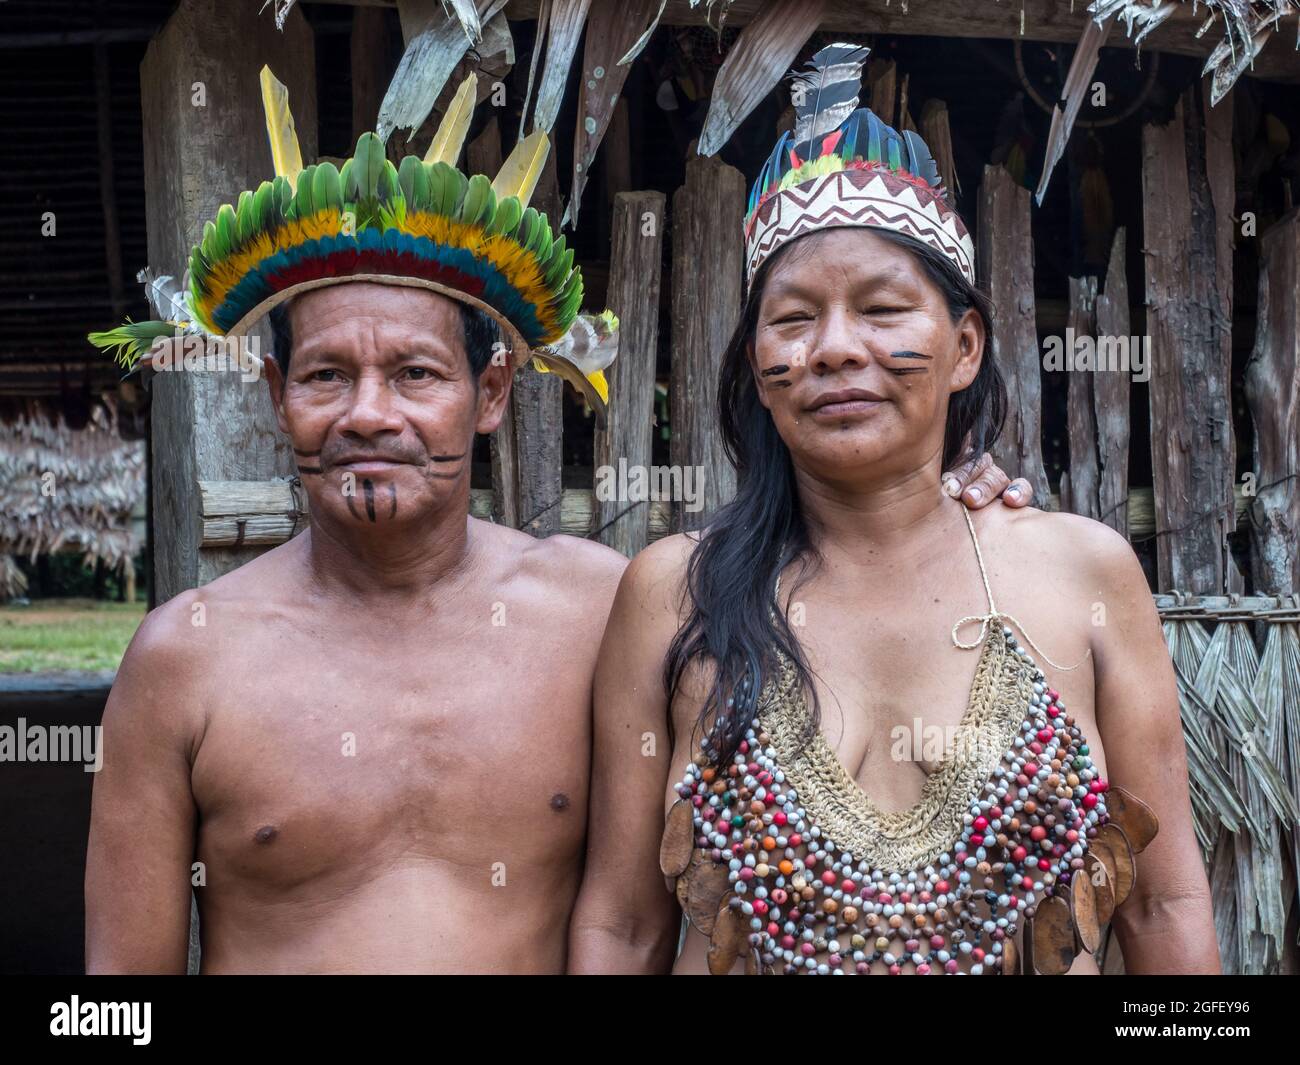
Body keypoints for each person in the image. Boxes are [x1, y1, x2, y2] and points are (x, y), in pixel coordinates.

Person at [84, 69, 1034, 974]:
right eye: (328, 376)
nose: (369, 414)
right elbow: (115, 998)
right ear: (276, 393)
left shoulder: (604, 612)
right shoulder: (186, 658)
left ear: (490, 392)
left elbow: (836, 589)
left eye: (416, 375)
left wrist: (942, 495)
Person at [567, 44, 1217, 976]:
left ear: (963, 348)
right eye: (792, 319)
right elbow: (622, 925)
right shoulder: (677, 593)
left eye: (881, 310)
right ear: (756, 361)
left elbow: (1165, 901)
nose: (835, 349)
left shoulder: (1084, 573)